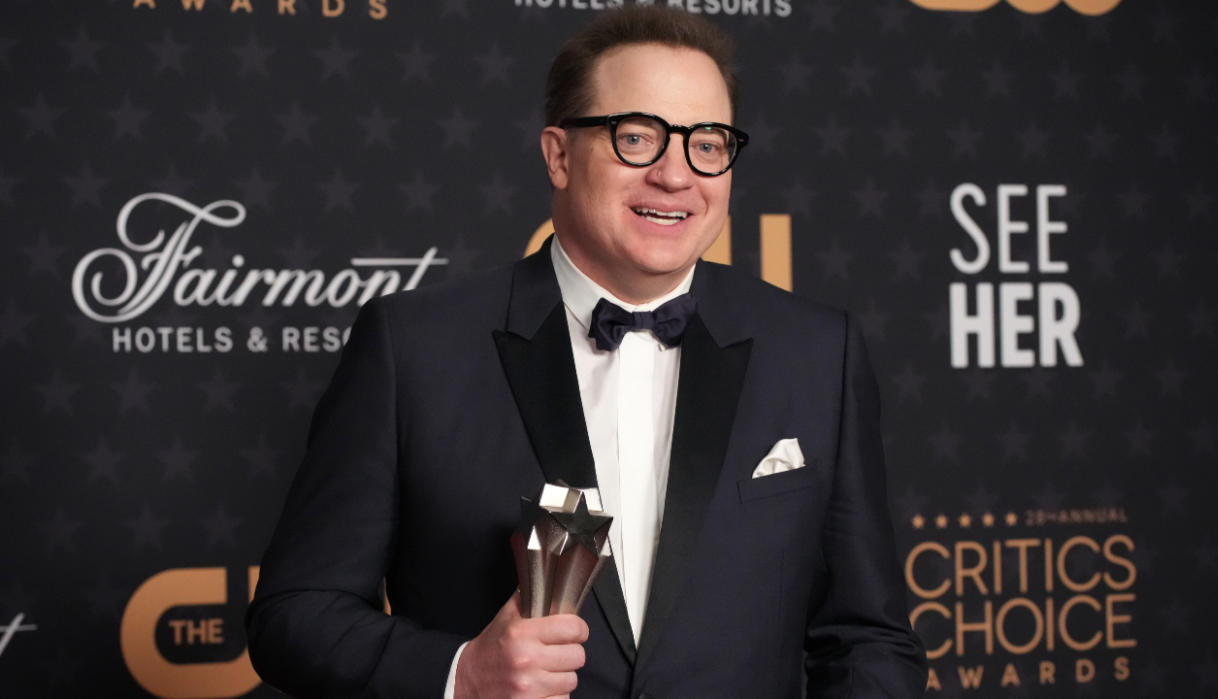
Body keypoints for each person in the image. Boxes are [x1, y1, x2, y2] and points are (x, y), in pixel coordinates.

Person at [247, 7, 926, 698]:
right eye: (637, 137)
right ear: (558, 155)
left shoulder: (816, 352)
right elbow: (295, 615)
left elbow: (867, 637)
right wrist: (462, 674)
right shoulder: (412, 348)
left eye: (708, 143)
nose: (676, 174)